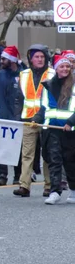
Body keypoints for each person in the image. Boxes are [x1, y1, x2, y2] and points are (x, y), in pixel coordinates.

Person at [31, 53, 75, 205]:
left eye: (67, 66)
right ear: (56, 69)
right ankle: (55, 191)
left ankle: (74, 190)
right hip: (51, 129)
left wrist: (70, 122)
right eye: (62, 66)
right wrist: (36, 120)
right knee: (54, 161)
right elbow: (43, 108)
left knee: (70, 162)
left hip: (69, 130)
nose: (65, 69)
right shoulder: (48, 86)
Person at [13, 45, 54, 198]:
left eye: (42, 57)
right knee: (27, 153)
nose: (39, 59)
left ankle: (49, 186)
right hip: (28, 119)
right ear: (31, 59)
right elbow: (19, 98)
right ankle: (24, 185)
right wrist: (17, 117)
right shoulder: (23, 74)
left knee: (47, 154)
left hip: (46, 119)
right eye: (36, 57)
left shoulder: (52, 74)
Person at [0, 45, 23, 186]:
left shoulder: (23, 74)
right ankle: (2, 174)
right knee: (2, 146)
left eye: (4, 58)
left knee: (18, 147)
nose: (1, 61)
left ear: (12, 60)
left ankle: (18, 175)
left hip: (18, 116)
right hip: (2, 116)